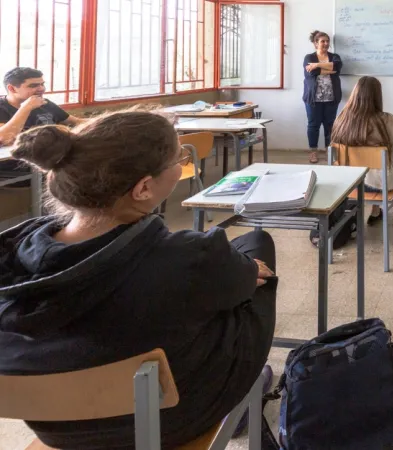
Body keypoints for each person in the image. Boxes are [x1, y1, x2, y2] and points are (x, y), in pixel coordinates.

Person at [0, 109, 278, 449]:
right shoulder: (192, 255)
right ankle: (247, 387)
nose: (182, 164)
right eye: (179, 157)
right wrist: (246, 271)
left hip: (56, 427)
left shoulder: (12, 256)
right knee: (255, 248)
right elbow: (238, 281)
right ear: (144, 187)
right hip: (173, 419)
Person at [331, 76, 393, 225]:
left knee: (375, 171)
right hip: (379, 183)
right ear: (378, 96)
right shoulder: (387, 120)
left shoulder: (341, 119)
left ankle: (376, 210)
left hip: (348, 182)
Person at [0, 67, 84, 144]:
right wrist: (26, 107)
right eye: (33, 85)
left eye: (42, 84)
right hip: (18, 158)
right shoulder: (2, 107)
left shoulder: (44, 103)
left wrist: (96, 122)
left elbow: (76, 122)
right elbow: (4, 138)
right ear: (12, 88)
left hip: (52, 155)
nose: (41, 89)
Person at [303, 30, 343, 164]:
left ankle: (329, 150)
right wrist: (327, 69)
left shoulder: (334, 56)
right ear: (315, 43)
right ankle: (313, 152)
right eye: (322, 41)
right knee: (313, 125)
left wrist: (318, 65)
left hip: (332, 97)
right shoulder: (309, 58)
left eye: (327, 41)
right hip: (313, 99)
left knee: (330, 125)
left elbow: (337, 68)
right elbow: (311, 73)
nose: (325, 43)